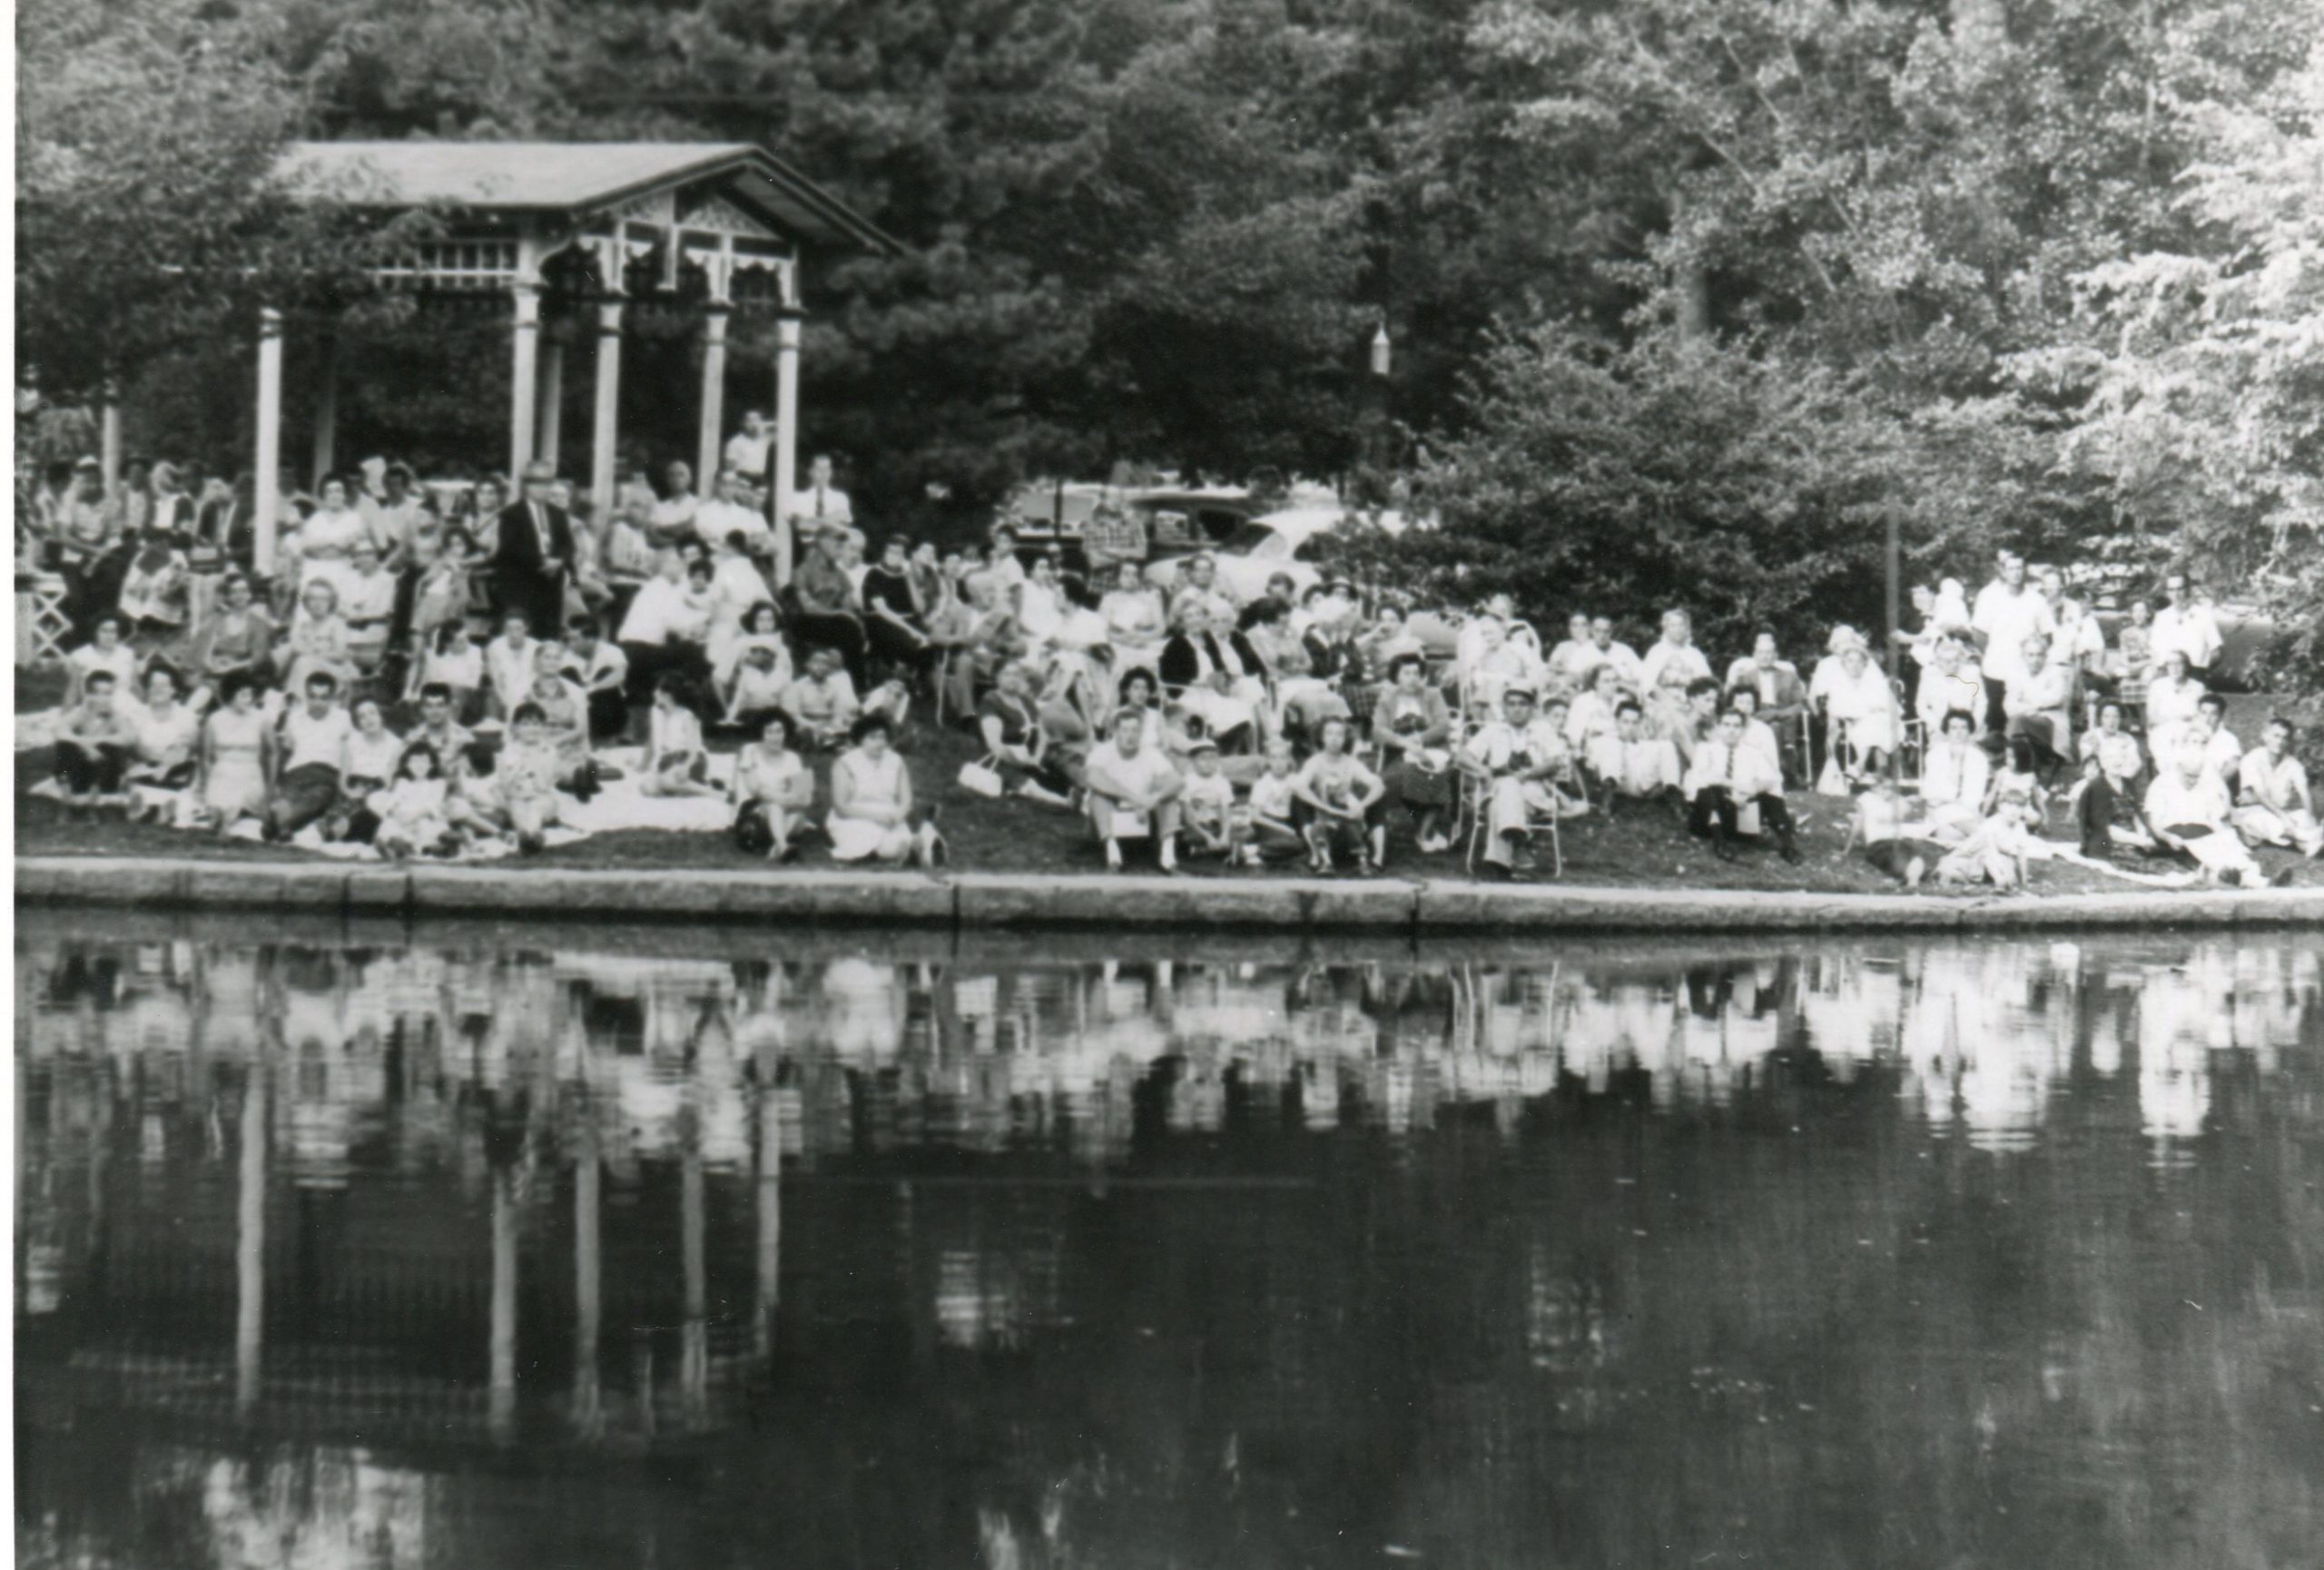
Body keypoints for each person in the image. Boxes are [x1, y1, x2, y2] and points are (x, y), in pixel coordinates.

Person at [1462, 686, 1581, 876]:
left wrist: (1528, 774)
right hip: (1497, 788)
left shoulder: (1543, 730)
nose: (1517, 709)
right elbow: (1462, 756)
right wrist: (1481, 769)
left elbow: (1556, 762)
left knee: (1504, 796)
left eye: (1523, 704)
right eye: (1512, 704)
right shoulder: (1493, 730)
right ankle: (1518, 846)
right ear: (1504, 708)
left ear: (1532, 708)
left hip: (1533, 791)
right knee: (1508, 786)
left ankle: (1502, 860)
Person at [1683, 707, 1802, 863]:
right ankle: (1720, 844)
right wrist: (1735, 787)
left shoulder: (1753, 753)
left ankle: (1788, 846)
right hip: (1707, 819)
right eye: (1726, 725)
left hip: (1740, 814)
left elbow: (1770, 780)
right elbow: (1699, 781)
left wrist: (1751, 792)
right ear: (1718, 727)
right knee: (1708, 790)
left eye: (1736, 726)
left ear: (1743, 730)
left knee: (1771, 796)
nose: (1731, 731)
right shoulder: (1706, 750)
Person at [2142, 748, 2274, 887]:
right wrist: (2167, 837)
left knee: (2229, 847)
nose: (2193, 781)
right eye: (2188, 776)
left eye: (2196, 776)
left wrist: (2225, 836)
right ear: (2178, 768)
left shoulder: (2205, 784)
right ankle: (2248, 880)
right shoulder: (2161, 785)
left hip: (2204, 833)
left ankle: (2260, 880)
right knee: (2211, 855)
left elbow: (2213, 818)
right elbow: (2154, 823)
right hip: (2176, 834)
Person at [1371, 652, 1456, 851]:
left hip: (1434, 749)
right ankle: (1425, 830)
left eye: (1416, 673)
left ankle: (1423, 832)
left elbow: (1443, 725)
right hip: (1400, 752)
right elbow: (1378, 730)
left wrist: (1419, 739)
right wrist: (1403, 742)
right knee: (1404, 776)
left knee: (1440, 774)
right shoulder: (1387, 699)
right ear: (1396, 676)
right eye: (1406, 673)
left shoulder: (1432, 695)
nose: (1412, 678)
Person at [1083, 706, 1184, 873]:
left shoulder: (1150, 752)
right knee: (1098, 796)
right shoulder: (1102, 751)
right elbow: (1093, 778)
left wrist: (1154, 799)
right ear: (1115, 732)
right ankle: (1113, 858)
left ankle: (1168, 860)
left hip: (1144, 816)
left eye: (1135, 730)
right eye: (1125, 730)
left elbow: (1177, 781)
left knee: (1168, 795)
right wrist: (1134, 799)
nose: (1130, 736)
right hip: (1108, 818)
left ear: (1141, 732)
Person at [829, 713, 936, 865]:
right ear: (861, 740)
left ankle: (913, 847)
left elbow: (906, 800)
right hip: (854, 816)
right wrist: (876, 817)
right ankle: (910, 848)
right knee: (867, 837)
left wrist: (898, 816)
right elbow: (841, 807)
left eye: (882, 737)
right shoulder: (845, 763)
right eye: (872, 738)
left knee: (893, 835)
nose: (879, 743)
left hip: (888, 815)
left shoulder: (895, 760)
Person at [1159, 600, 1265, 752]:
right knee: (1221, 715)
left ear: (1204, 618)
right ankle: (1222, 753)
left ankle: (1247, 754)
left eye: (1198, 615)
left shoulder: (1208, 639)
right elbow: (1168, 677)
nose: (1195, 619)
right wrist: (1195, 683)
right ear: (1182, 622)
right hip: (1190, 693)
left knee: (1241, 709)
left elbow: (1219, 665)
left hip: (1213, 691)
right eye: (1189, 616)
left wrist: (1225, 677)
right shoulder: (1176, 644)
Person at [977, 659, 1079, 808]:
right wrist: (1022, 762)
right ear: (997, 677)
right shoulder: (992, 702)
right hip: (1005, 758)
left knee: (1059, 779)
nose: (1013, 678)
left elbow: (1042, 733)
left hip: (1030, 758)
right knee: (1031, 783)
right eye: (1007, 674)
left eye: (1017, 675)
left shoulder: (1025, 700)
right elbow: (994, 745)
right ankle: (1060, 802)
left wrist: (1036, 758)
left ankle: (1069, 796)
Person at [1971, 553, 2054, 730]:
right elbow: (1978, 633)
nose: (2016, 573)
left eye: (2019, 568)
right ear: (2003, 572)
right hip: (1996, 670)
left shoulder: (2037, 600)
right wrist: (1996, 653)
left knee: (2023, 721)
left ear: (2025, 571)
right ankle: (1997, 755)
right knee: (1996, 721)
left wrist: (2032, 659)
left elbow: (2048, 635)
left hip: (2025, 672)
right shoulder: (1989, 596)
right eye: (2011, 568)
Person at [492, 460, 576, 637]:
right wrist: (542, 562)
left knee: (548, 636)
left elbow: (567, 544)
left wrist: (559, 560)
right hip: (522, 584)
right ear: (526, 485)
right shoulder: (511, 514)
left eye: (547, 482)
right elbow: (510, 548)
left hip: (550, 585)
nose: (542, 488)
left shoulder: (558, 514)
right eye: (536, 482)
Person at [1294, 715, 1387, 874]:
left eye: (1339, 734)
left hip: (1348, 824)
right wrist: (1325, 808)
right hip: (1324, 826)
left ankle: (1377, 857)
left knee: (1378, 799)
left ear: (1345, 739)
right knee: (1298, 800)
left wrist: (1361, 806)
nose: (1334, 739)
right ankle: (1318, 855)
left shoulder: (1351, 762)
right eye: (1329, 733)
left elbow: (1378, 785)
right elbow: (1299, 787)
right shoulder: (1315, 762)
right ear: (1322, 737)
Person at [266, 673, 352, 841]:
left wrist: (344, 783)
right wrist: (276, 782)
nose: (318, 703)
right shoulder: (295, 716)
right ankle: (282, 823)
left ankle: (279, 822)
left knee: (314, 800)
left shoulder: (342, 717)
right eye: (312, 697)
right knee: (290, 798)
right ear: (306, 696)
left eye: (324, 698)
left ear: (333, 698)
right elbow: (286, 751)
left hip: (325, 774)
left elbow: (346, 754)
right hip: (295, 773)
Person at [730, 710, 815, 861]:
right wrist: (785, 797)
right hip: (754, 812)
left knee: (797, 814)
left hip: (787, 810)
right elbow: (755, 789)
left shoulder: (793, 757)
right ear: (761, 733)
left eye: (779, 731)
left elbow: (806, 797)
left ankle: (777, 847)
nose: (775, 737)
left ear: (786, 732)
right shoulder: (749, 751)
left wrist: (792, 799)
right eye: (769, 732)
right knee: (774, 805)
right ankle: (782, 845)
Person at [792, 522, 869, 686]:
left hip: (835, 625)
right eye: (835, 541)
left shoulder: (840, 574)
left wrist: (858, 623)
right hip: (807, 622)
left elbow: (848, 604)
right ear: (821, 542)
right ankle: (859, 685)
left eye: (842, 543)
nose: (840, 546)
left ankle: (850, 685)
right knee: (846, 627)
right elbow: (808, 607)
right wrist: (841, 615)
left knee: (855, 627)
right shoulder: (803, 571)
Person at [2233, 718, 2323, 857]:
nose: (2280, 742)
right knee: (2273, 824)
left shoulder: (2293, 764)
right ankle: (2312, 839)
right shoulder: (2252, 759)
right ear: (2265, 736)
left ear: (2289, 741)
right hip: (2254, 812)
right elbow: (2261, 796)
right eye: (2276, 736)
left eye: (2285, 738)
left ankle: (2309, 844)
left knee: (2303, 817)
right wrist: (2284, 817)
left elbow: (2305, 794)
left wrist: (2310, 818)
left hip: (2282, 811)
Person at [53, 669, 141, 806]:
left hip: (106, 774)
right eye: (96, 693)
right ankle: (68, 790)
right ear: (88, 694)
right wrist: (84, 744)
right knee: (64, 745)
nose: (102, 699)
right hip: (83, 770)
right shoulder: (81, 712)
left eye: (108, 694)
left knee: (110, 746)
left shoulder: (115, 714)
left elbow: (129, 738)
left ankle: (93, 794)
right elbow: (59, 731)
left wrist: (97, 740)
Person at [198, 674, 273, 832]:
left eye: (251, 695)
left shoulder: (262, 719)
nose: (249, 699)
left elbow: (274, 752)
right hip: (222, 773)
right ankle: (219, 816)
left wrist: (270, 786)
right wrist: (205, 785)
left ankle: (228, 819)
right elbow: (205, 757)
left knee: (235, 802)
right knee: (217, 803)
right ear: (231, 696)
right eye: (243, 695)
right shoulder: (215, 719)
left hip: (249, 774)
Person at [123, 665, 202, 814]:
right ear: (147, 688)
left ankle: (164, 807)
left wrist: (165, 766)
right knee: (140, 797)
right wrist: (155, 761)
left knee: (178, 799)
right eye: (154, 684)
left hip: (175, 770)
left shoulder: (186, 715)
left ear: (174, 689)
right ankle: (151, 807)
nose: (158, 689)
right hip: (145, 769)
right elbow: (136, 747)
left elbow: (185, 746)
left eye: (164, 685)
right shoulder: (135, 715)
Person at [1932, 785, 2042, 890]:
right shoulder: (1993, 823)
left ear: (2023, 810)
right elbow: (1990, 851)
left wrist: (2024, 881)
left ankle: (1998, 879)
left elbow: (2022, 856)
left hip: (1997, 856)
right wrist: (2001, 872)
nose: (2014, 811)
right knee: (1953, 867)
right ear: (2000, 807)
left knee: (2010, 873)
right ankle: (1998, 880)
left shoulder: (2020, 827)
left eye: (2019, 807)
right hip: (1975, 853)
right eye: (2009, 806)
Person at [495, 703, 569, 854]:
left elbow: (546, 784)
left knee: (537, 807)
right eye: (525, 724)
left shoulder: (548, 750)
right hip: (517, 796)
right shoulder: (510, 750)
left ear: (543, 727)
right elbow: (505, 782)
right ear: (516, 728)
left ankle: (533, 834)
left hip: (540, 795)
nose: (531, 729)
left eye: (536, 724)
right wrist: (519, 766)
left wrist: (534, 761)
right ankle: (523, 834)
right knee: (517, 808)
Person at [1588, 698, 1683, 815]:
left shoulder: (1646, 744)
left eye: (1635, 722)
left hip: (1647, 784)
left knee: (1666, 745)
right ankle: (1607, 801)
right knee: (1613, 744)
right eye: (1626, 722)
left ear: (1640, 723)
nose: (1630, 727)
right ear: (1617, 722)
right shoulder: (1606, 740)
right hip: (1622, 781)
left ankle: (1673, 793)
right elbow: (1592, 766)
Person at [1822, 643, 1900, 784]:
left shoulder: (1876, 683)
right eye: (1850, 661)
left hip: (1887, 724)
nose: (1855, 665)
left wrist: (1871, 712)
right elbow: (1838, 710)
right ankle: (1880, 770)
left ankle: (1860, 765)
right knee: (1873, 723)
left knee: (1876, 722)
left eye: (1859, 661)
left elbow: (1893, 708)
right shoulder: (1838, 685)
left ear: (1865, 664)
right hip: (1854, 726)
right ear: (1843, 664)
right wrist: (1868, 711)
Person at [862, 535, 936, 681]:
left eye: (898, 553)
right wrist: (912, 631)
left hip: (908, 620)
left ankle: (918, 682)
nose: (893, 556)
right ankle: (902, 675)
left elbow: (920, 608)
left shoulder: (905, 575)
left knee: (933, 642)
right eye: (890, 551)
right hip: (883, 622)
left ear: (904, 556)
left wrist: (909, 579)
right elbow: (883, 610)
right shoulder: (874, 574)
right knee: (916, 644)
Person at [2002, 632, 2076, 773]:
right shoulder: (2016, 674)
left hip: (2051, 725)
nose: (2035, 660)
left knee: (2018, 720)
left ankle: (2010, 762)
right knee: (2018, 720)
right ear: (2023, 656)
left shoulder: (2056, 672)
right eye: (2031, 655)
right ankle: (2021, 763)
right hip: (2025, 722)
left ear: (2046, 656)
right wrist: (2036, 706)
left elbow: (2056, 697)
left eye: (2039, 655)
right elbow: (2009, 706)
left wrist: (2028, 706)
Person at [369, 743, 455, 860]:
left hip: (424, 817)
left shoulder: (438, 783)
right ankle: (398, 846)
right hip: (403, 818)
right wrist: (395, 812)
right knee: (390, 824)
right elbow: (393, 801)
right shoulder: (403, 782)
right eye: (414, 761)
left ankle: (436, 846)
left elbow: (433, 804)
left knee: (429, 827)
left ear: (432, 764)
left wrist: (416, 816)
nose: (419, 765)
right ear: (407, 764)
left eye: (424, 761)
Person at [639, 675, 718, 797]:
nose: (654, 693)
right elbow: (655, 742)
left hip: (690, 759)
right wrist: (647, 765)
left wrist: (686, 767)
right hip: (668, 761)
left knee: (665, 781)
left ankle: (707, 791)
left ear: (667, 695)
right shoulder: (657, 713)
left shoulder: (686, 716)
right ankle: (687, 786)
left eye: (657, 690)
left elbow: (694, 750)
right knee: (647, 788)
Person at [1918, 709, 1992, 841]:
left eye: (1964, 728)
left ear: (1970, 731)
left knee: (1950, 834)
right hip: (1939, 810)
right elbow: (1929, 792)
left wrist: (1948, 799)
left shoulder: (1979, 758)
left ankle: (1977, 836)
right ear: (1947, 731)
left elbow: (1975, 796)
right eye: (1953, 728)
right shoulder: (1935, 755)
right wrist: (1948, 799)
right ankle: (1983, 836)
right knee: (1950, 830)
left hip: (1967, 811)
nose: (1959, 733)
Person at [279, 579, 356, 697]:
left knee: (303, 662)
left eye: (323, 599)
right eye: (312, 598)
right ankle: (293, 702)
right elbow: (296, 647)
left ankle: (296, 702)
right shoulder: (302, 625)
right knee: (291, 657)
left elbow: (339, 655)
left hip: (334, 670)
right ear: (306, 602)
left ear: (331, 602)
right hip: (306, 668)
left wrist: (312, 654)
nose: (317, 603)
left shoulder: (337, 623)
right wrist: (314, 653)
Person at [1847, 776, 1929, 887]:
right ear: (1874, 788)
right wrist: (1846, 850)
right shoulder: (1866, 799)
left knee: (1912, 855)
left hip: (1897, 840)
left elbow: (1903, 814)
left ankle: (1913, 876)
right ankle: (1912, 878)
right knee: (1893, 858)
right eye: (1883, 787)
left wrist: (1904, 802)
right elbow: (1857, 824)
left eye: (1891, 788)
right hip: (1877, 843)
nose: (1887, 791)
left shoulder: (1898, 801)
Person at [561, 617, 630, 741]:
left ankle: (606, 735)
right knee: (568, 672)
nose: (570, 643)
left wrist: (592, 688)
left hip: (608, 707)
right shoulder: (568, 656)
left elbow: (620, 675)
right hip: (580, 707)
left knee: (605, 672)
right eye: (569, 639)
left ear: (591, 640)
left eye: (575, 639)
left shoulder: (611, 651)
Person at [339, 538, 399, 676]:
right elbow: (340, 605)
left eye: (368, 553)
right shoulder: (347, 578)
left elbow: (384, 610)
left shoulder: (387, 579)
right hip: (347, 632)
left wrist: (359, 614)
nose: (364, 557)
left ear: (376, 556)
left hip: (373, 633)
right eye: (359, 554)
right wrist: (352, 613)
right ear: (354, 558)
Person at [781, 645, 861, 749]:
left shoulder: (834, 687)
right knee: (804, 734)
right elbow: (794, 714)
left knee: (850, 729)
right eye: (816, 662)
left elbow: (838, 712)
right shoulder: (797, 686)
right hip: (805, 724)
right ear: (807, 665)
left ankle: (829, 744)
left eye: (825, 663)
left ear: (830, 668)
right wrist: (813, 726)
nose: (820, 666)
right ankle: (820, 744)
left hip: (828, 724)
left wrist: (833, 724)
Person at [1177, 737, 1241, 863]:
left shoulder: (1222, 782)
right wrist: (1208, 838)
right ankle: (1203, 848)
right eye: (1203, 758)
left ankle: (1221, 849)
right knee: (1186, 836)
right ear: (1193, 761)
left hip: (1216, 824)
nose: (1208, 762)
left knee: (1242, 831)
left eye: (1212, 758)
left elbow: (1226, 811)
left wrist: (1225, 835)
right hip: (1196, 826)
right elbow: (1188, 817)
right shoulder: (1187, 782)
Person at [1099, 561, 1168, 677]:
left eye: (1135, 574)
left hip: (1146, 643)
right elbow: (1102, 629)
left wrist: (1142, 639)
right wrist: (1123, 640)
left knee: (1151, 664)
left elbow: (1161, 628)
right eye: (1126, 574)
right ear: (1118, 578)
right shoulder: (1109, 599)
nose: (1131, 578)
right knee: (1119, 664)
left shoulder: (1150, 598)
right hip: (1118, 643)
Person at [2152, 570, 2222, 683]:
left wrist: (2203, 670)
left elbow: (2217, 652)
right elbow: (2155, 652)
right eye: (2172, 590)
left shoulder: (2204, 615)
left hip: (2195, 674)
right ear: (2167, 593)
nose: (2176, 594)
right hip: (2167, 674)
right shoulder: (2161, 617)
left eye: (2180, 589)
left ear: (2188, 590)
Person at [1915, 633, 1986, 745]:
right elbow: (1921, 707)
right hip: (1939, 730)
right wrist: (1940, 726)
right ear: (1938, 661)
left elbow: (1982, 702)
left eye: (1957, 659)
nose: (1954, 664)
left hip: (1970, 729)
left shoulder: (1972, 672)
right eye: (1948, 661)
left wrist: (1973, 725)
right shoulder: (1928, 675)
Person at [64, 613, 143, 708]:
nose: (109, 636)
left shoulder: (127, 655)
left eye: (113, 631)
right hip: (93, 707)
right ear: (95, 632)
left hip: (124, 706)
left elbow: (136, 688)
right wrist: (66, 713)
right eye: (104, 631)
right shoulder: (81, 656)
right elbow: (73, 689)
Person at [2144, 649, 2206, 760]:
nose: (2174, 667)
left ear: (2186, 666)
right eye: (2170, 664)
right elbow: (2152, 719)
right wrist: (2176, 718)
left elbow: (2202, 716)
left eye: (2179, 663)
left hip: (2190, 731)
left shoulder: (2197, 687)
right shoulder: (2157, 686)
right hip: (2163, 730)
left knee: (2191, 745)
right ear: (2166, 667)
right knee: (2167, 747)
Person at [722, 640, 794, 733]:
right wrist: (729, 719)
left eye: (756, 652)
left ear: (770, 655)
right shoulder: (747, 675)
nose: (752, 656)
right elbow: (738, 700)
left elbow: (788, 705)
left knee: (773, 715)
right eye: (753, 652)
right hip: (750, 715)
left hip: (774, 716)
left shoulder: (783, 677)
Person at [694, 469, 770, 558]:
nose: (728, 489)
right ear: (717, 485)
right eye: (725, 484)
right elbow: (703, 539)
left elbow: (754, 542)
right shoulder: (703, 512)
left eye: (732, 484)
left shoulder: (744, 514)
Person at [483, 610, 539, 720]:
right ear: (504, 630)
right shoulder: (495, 647)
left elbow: (538, 678)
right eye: (509, 628)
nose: (513, 633)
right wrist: (506, 700)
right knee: (491, 698)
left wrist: (529, 696)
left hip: (530, 694)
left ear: (526, 628)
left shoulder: (536, 647)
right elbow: (496, 679)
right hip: (505, 693)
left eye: (518, 628)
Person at [785, 453, 852, 531]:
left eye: (826, 469)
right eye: (819, 469)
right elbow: (799, 523)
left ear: (831, 472)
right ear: (810, 471)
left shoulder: (840, 498)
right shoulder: (797, 498)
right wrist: (831, 520)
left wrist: (812, 522)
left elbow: (845, 520)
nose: (823, 474)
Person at [724, 410, 773, 479]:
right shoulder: (735, 442)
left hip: (761, 479)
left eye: (757, 420)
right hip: (742, 479)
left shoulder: (765, 439)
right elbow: (729, 468)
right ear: (743, 423)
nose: (754, 424)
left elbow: (784, 428)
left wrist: (765, 425)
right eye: (750, 421)